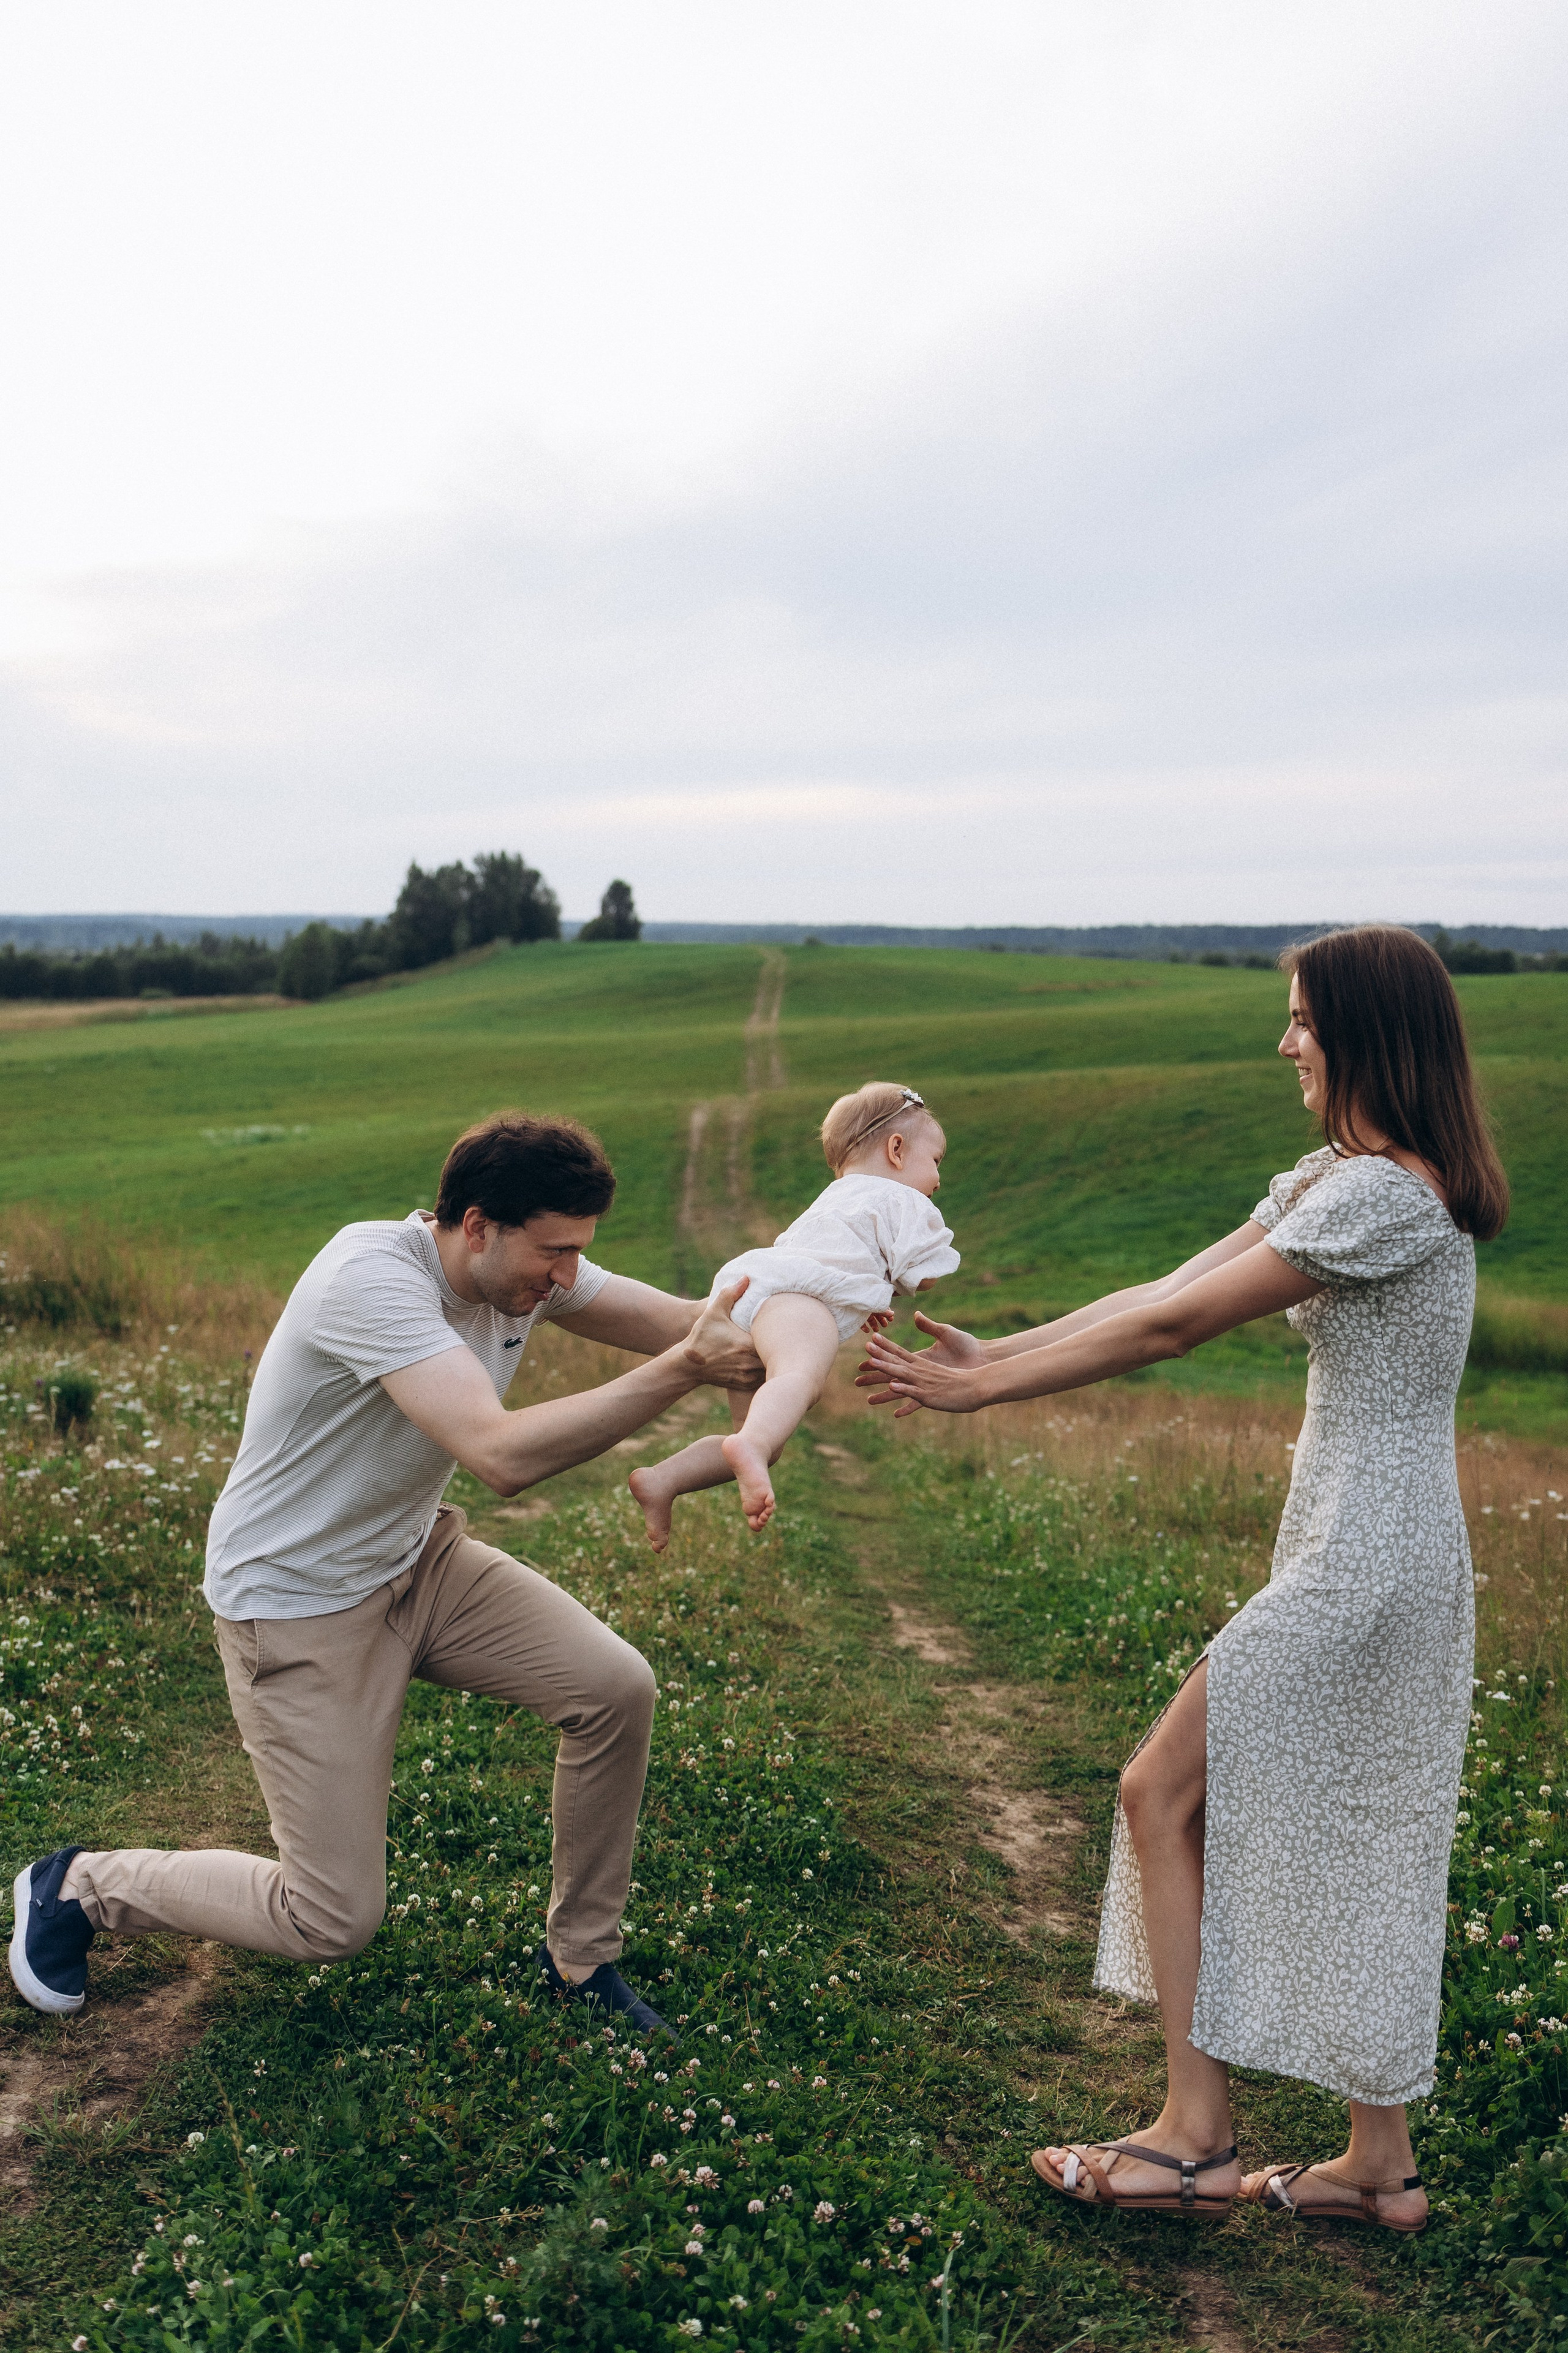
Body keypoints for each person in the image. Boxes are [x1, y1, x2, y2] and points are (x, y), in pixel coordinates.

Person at [860, 927, 1507, 2231]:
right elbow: (1166, 1281)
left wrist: (979, 1391)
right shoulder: (1335, 1178)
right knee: (1351, 1823)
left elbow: (1171, 1330)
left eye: (1302, 1024)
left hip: (1366, 1554)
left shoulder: (1388, 1196)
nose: (1284, 1045)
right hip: (1364, 1541)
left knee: (1160, 1789)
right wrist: (1011, 1342)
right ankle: (1373, 2168)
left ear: (1364, 1034)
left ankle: (1190, 2139)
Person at [9, 1111, 761, 2037]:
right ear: (477, 1224)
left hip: (418, 1562)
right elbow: (501, 1455)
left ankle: (580, 1961)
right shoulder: (369, 1279)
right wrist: (689, 1368)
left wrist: (807, 1310)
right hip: (297, 1607)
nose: (567, 1278)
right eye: (554, 1253)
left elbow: (693, 1325)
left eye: (579, 1255)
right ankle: (80, 1886)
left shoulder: (517, 1273)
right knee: (329, 1916)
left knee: (615, 1688)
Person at [629, 1083, 959, 1548]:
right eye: (937, 1161)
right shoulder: (901, 1198)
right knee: (799, 1380)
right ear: (897, 1150)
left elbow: (833, 1261)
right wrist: (912, 1273)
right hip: (799, 1300)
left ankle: (663, 1479)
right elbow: (925, 1275)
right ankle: (748, 1448)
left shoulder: (836, 1197)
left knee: (766, 1434)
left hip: (755, 1290)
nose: (938, 1180)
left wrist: (864, 1296)